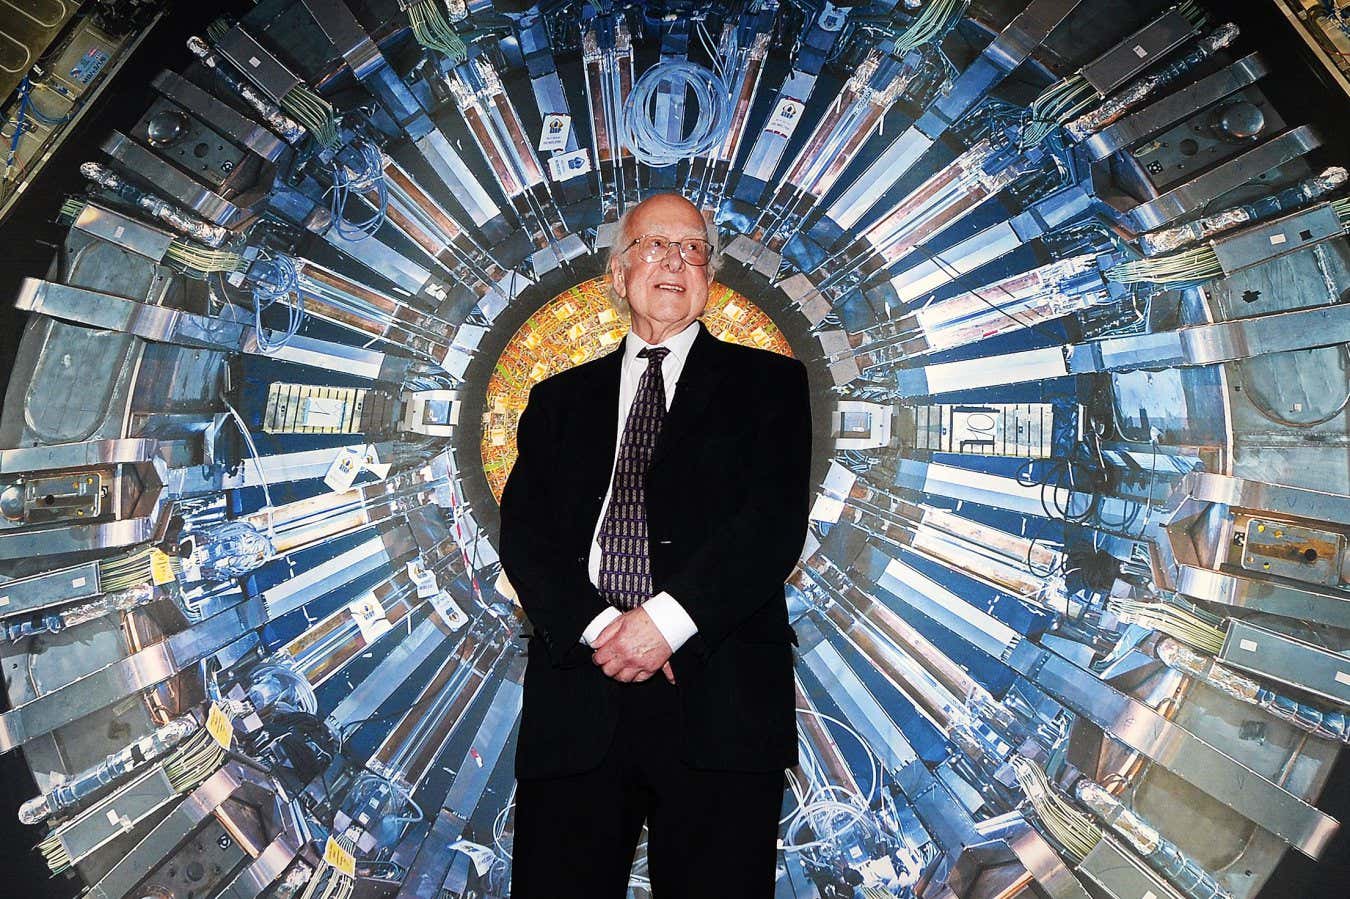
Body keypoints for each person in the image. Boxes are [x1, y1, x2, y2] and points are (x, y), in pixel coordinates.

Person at [498, 192, 813, 898]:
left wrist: (664, 623)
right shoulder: (555, 400)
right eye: (655, 245)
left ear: (709, 278)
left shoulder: (771, 386)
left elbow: (770, 526)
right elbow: (525, 536)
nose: (675, 260)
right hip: (578, 697)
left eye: (693, 248)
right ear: (618, 272)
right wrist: (605, 629)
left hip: (720, 700)